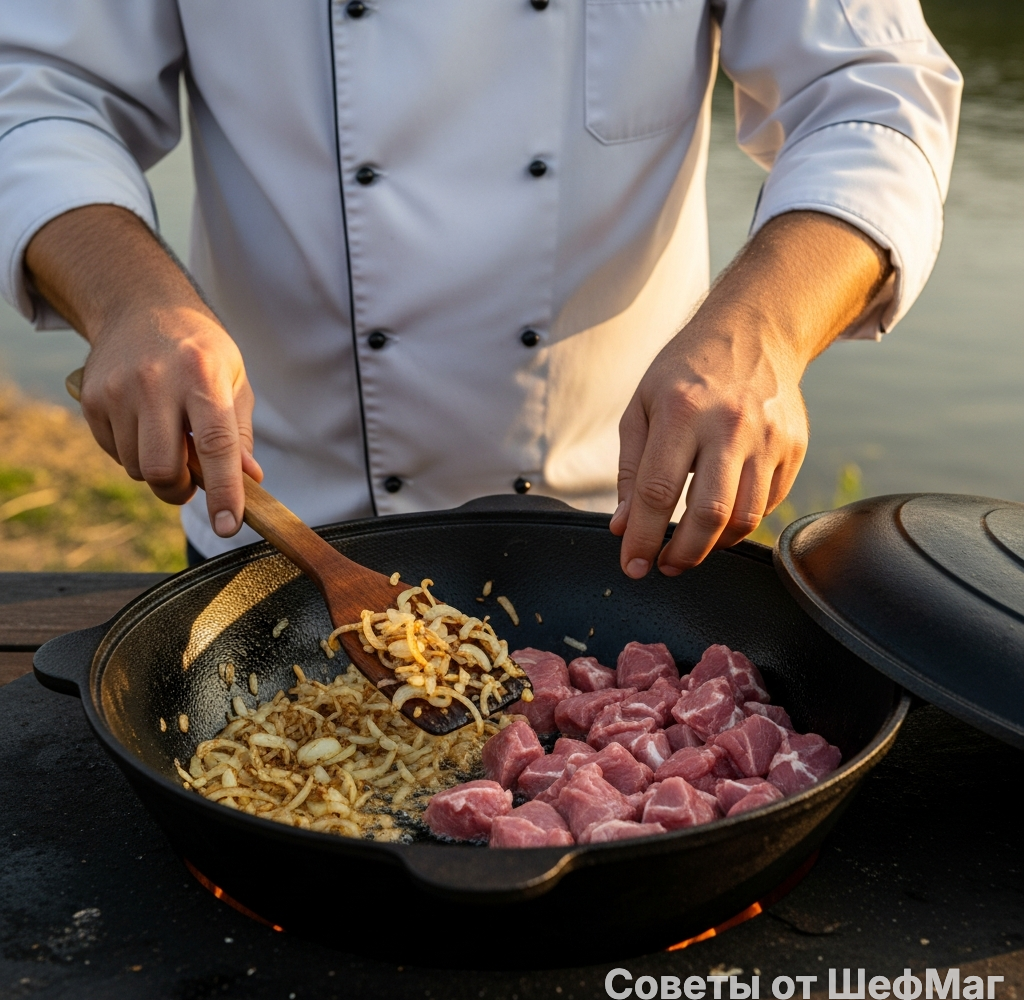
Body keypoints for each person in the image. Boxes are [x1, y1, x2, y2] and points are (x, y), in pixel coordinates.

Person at [0, 2, 960, 577]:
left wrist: (763, 330)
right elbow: (40, 87)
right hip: (273, 534)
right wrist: (132, 301)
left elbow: (870, 95)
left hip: (630, 539)